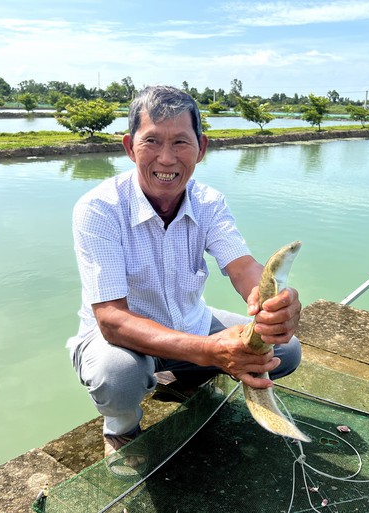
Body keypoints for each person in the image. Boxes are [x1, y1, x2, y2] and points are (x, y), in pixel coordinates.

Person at [67, 85, 302, 462]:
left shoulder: (209, 201)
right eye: (152, 142)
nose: (166, 158)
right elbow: (112, 320)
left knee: (285, 349)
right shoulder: (99, 209)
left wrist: (273, 304)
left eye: (180, 142)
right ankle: (121, 429)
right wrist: (210, 350)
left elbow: (242, 266)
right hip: (123, 341)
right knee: (118, 375)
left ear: (201, 147)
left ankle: (185, 379)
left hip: (190, 322)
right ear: (129, 147)